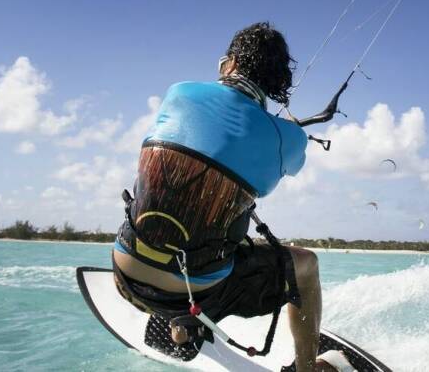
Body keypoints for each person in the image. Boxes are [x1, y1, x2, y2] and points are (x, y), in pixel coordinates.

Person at [112, 22, 345, 372]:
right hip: (194, 291)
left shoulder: (178, 93)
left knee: (190, 216)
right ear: (276, 84)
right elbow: (287, 168)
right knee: (304, 265)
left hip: (125, 272)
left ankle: (182, 326)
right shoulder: (289, 139)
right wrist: (283, 131)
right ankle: (307, 368)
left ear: (228, 64)